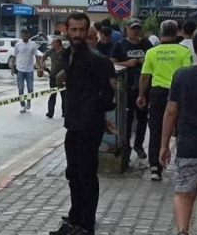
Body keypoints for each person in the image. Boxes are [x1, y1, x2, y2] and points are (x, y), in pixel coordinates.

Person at [49, 12, 117, 235]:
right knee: (73, 173)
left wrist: (97, 115)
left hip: (89, 124)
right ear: (66, 31)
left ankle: (86, 225)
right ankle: (74, 219)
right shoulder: (69, 55)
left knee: (86, 174)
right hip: (73, 124)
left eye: (81, 30)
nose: (77, 34)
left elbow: (108, 95)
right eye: (73, 30)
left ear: (88, 31)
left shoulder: (96, 60)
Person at [160, 28, 197, 235]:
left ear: (195, 49)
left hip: (188, 144)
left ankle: (182, 231)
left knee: (184, 192)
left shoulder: (182, 75)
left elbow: (171, 111)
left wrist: (163, 145)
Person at [138, 20, 191, 181]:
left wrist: (141, 95)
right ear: (177, 32)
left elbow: (144, 76)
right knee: (181, 129)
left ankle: (155, 167)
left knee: (156, 129)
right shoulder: (184, 51)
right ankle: (182, 163)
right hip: (177, 93)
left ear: (161, 32)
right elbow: (186, 74)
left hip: (158, 93)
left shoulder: (152, 52)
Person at [110, 18, 152, 161]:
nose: (135, 31)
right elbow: (112, 63)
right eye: (133, 28)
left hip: (143, 86)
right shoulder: (120, 45)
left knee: (142, 118)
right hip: (126, 87)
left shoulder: (146, 44)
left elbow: (153, 59)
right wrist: (127, 63)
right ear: (126, 29)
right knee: (127, 119)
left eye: (137, 28)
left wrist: (145, 61)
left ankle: (138, 145)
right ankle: (126, 146)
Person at [11, 28, 42, 113]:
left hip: (29, 70)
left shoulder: (33, 44)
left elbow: (36, 56)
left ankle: (28, 101)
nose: (24, 37)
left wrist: (40, 66)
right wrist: (12, 67)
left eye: (25, 35)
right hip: (20, 69)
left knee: (30, 88)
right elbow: (14, 56)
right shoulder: (18, 45)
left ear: (29, 35)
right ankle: (22, 105)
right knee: (20, 88)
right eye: (22, 35)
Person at [43, 36, 68, 119]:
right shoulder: (52, 51)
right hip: (53, 76)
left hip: (62, 78)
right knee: (52, 94)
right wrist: (41, 65)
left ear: (58, 43)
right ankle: (50, 112)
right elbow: (44, 56)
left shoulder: (65, 52)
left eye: (53, 43)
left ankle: (64, 111)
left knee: (64, 95)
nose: (52, 45)